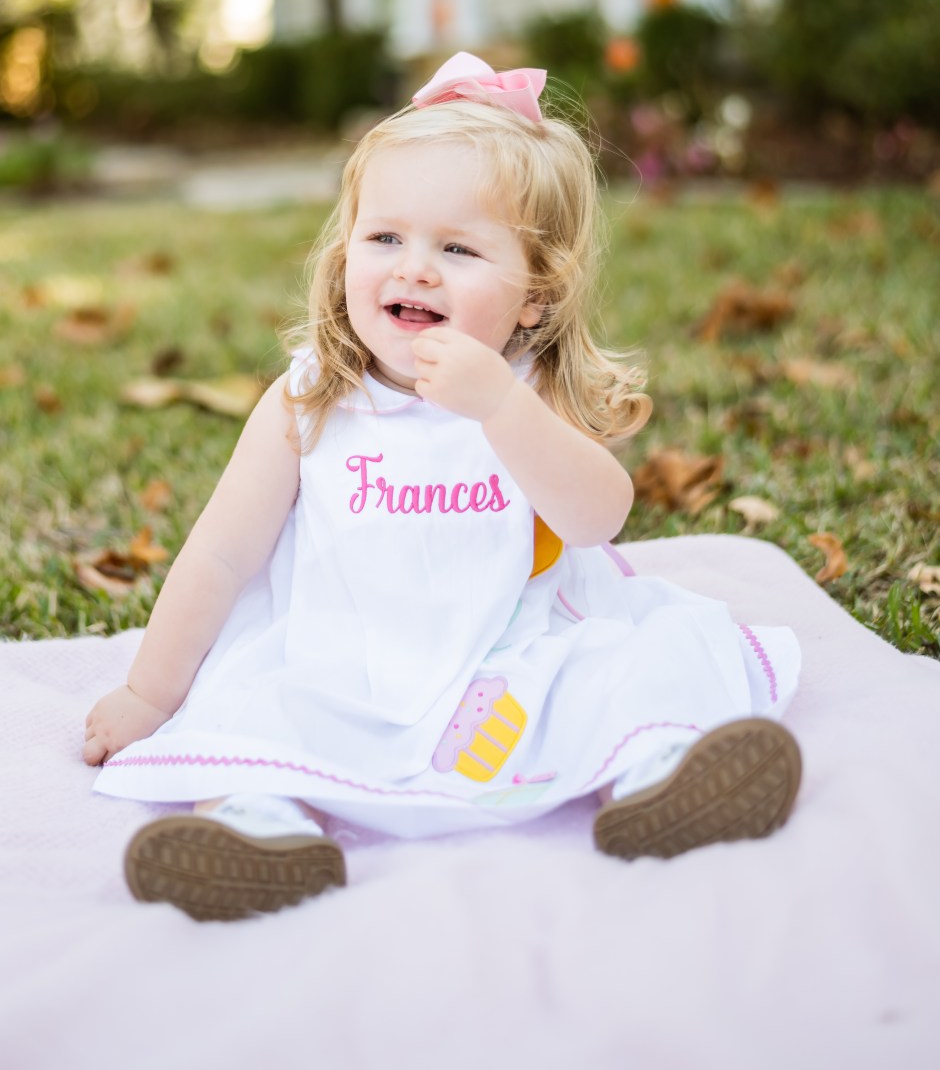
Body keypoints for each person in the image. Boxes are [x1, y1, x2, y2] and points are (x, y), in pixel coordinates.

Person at [84, 53, 802, 922]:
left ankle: (658, 780)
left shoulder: (523, 393)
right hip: (342, 658)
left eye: (457, 249)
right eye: (384, 238)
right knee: (254, 710)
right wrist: (149, 693)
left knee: (635, 663)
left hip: (506, 656)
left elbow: (598, 518)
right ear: (345, 248)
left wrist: (500, 406)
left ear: (535, 295)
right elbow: (223, 554)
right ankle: (256, 832)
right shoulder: (310, 401)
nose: (413, 269)